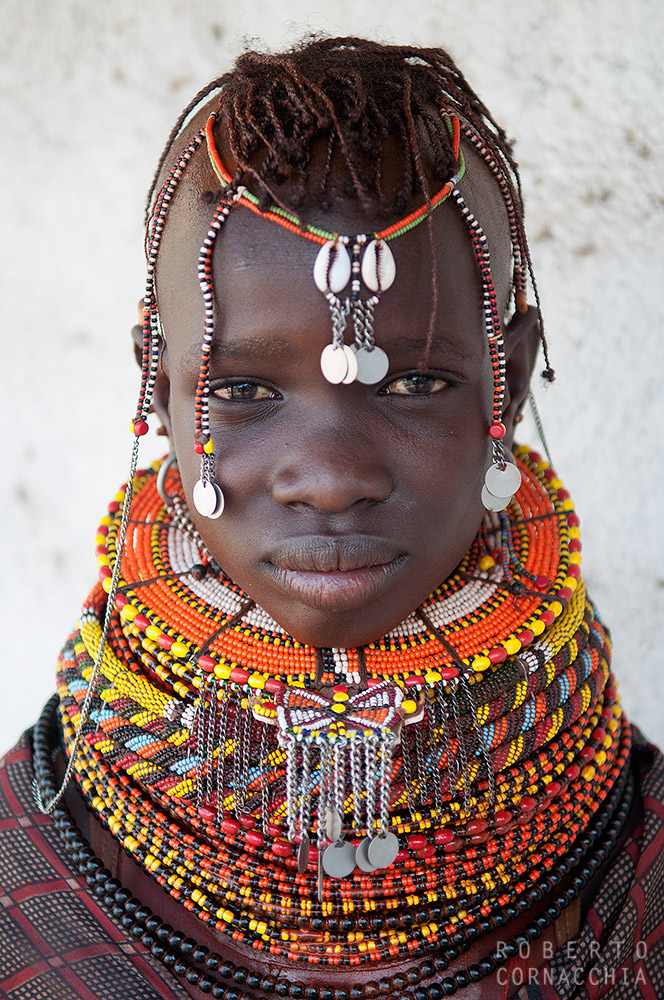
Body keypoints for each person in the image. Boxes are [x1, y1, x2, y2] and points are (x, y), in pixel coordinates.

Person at [1, 36, 662, 1000]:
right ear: (162, 380)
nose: (331, 479)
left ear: (507, 383)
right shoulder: (34, 868)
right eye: (244, 390)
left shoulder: (634, 884)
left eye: (420, 381)